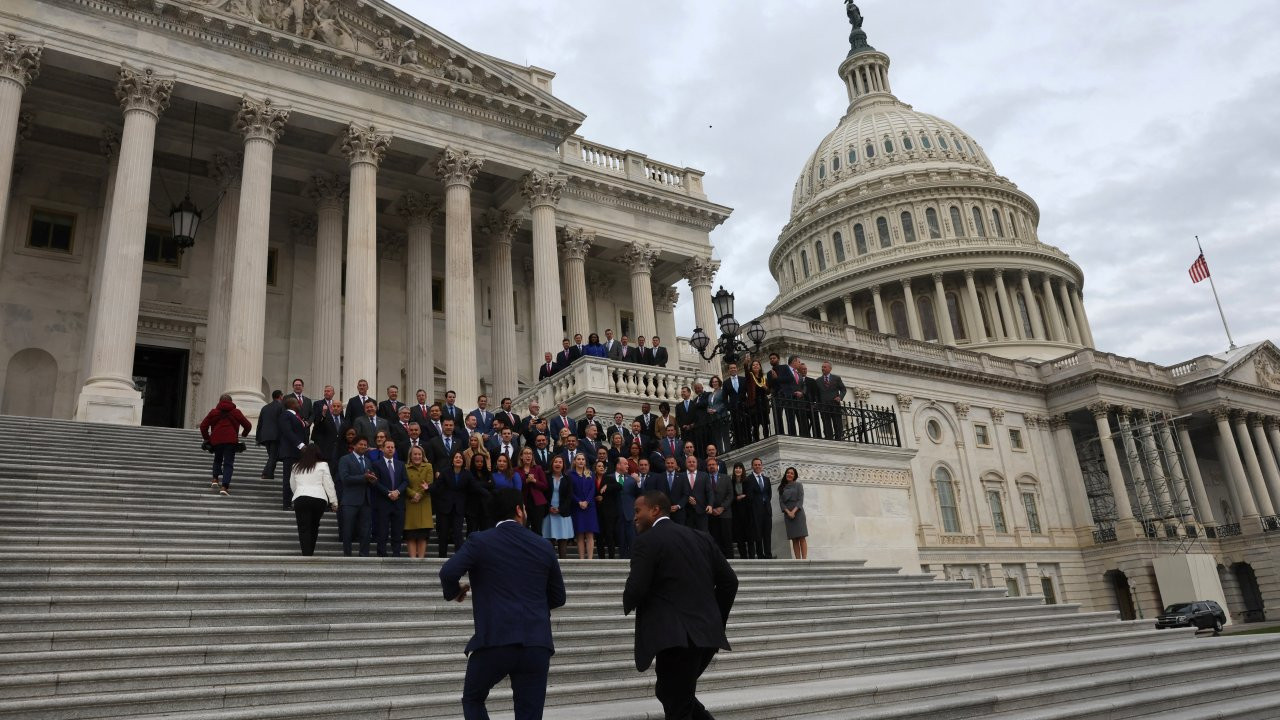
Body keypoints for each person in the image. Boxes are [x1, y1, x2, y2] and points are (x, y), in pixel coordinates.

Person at [440, 488, 566, 720]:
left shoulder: (479, 541)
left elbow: (448, 572)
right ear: (519, 510)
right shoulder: (543, 545)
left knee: (473, 698)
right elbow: (559, 597)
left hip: (495, 640)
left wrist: (455, 592)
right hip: (536, 643)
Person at [623, 491, 738, 720]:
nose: (634, 517)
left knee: (676, 701)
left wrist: (628, 600)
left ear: (655, 510)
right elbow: (730, 582)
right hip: (704, 635)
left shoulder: (647, 541)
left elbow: (636, 588)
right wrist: (715, 619)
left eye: (638, 511)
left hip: (675, 638)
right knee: (673, 694)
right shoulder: (701, 537)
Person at [289, 444, 338, 556]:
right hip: (319, 498)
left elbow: (292, 484)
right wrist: (334, 502)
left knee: (303, 527)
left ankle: (306, 553)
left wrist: (297, 493)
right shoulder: (323, 465)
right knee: (314, 525)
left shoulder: (296, 466)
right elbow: (329, 484)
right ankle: (310, 551)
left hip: (301, 497)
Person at [199, 393, 251, 496]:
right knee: (228, 463)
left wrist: (207, 438)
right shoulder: (236, 412)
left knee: (217, 459)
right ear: (231, 402)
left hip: (216, 440)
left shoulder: (214, 412)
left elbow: (203, 426)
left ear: (219, 401)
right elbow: (248, 425)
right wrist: (244, 434)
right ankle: (224, 487)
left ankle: (215, 479)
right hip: (231, 441)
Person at [337, 437, 375, 557]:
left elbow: (369, 478)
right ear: (354, 446)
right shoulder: (345, 459)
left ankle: (364, 554)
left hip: (366, 500)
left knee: (366, 530)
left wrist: (373, 480)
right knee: (348, 529)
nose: (363, 446)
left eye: (365, 445)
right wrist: (364, 477)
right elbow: (345, 478)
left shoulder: (368, 461)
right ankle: (347, 555)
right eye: (361, 444)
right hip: (350, 500)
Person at [370, 439, 408, 557]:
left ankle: (396, 553)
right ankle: (382, 553)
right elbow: (375, 482)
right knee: (382, 531)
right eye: (388, 447)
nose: (390, 449)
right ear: (382, 449)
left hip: (398, 503)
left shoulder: (401, 464)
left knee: (397, 531)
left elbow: (405, 481)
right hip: (383, 502)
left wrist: (397, 492)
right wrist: (388, 493)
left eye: (392, 447)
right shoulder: (376, 464)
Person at [431, 452, 472, 558]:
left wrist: (487, 492)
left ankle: (459, 559)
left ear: (463, 461)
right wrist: (428, 488)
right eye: (456, 457)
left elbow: (475, 487)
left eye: (460, 458)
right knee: (443, 534)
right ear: (453, 460)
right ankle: (442, 558)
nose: (458, 459)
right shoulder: (445, 472)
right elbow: (437, 486)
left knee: (458, 534)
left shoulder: (467, 474)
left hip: (459, 509)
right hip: (445, 508)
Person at [277, 396, 309, 511]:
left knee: (296, 478)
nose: (299, 405)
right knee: (288, 478)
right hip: (290, 452)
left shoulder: (296, 416)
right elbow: (288, 432)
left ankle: (294, 501)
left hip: (297, 453)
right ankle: (287, 503)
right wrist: (301, 445)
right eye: (297, 403)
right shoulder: (286, 415)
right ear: (291, 405)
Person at [404, 445, 434, 559]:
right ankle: (412, 560)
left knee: (422, 535)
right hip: (410, 503)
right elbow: (403, 484)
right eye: (415, 454)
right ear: (410, 456)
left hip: (423, 503)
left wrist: (419, 495)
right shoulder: (405, 468)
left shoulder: (428, 466)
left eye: (419, 454)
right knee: (411, 534)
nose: (417, 456)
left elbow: (429, 483)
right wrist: (413, 494)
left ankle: (421, 560)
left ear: (423, 456)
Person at [542, 456, 575, 559]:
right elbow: (542, 493)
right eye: (556, 462)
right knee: (549, 539)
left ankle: (563, 564)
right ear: (552, 464)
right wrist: (549, 507)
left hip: (562, 513)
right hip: (548, 512)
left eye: (560, 462)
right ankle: (551, 564)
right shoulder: (546, 476)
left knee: (563, 539)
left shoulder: (567, 478)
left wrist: (560, 509)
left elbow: (569, 496)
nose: (558, 464)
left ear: (563, 465)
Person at [569, 453, 598, 559]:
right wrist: (579, 502)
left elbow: (592, 489)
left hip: (589, 507)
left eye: (583, 459)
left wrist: (587, 501)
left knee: (590, 534)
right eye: (579, 459)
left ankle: (590, 559)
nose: (581, 461)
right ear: (575, 461)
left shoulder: (590, 473)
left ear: (585, 462)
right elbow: (570, 491)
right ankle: (582, 559)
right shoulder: (570, 474)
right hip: (577, 507)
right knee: (580, 534)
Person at [704, 458, 734, 558]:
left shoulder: (726, 478)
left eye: (713, 464)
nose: (711, 466)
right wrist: (711, 508)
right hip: (710, 514)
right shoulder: (704, 478)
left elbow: (730, 495)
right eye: (709, 465)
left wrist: (721, 508)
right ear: (707, 467)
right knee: (715, 540)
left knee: (727, 539)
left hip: (725, 514)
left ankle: (730, 561)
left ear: (717, 466)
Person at [745, 457, 773, 560]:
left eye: (759, 464)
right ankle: (760, 555)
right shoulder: (749, 479)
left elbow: (769, 494)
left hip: (767, 510)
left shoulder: (766, 479)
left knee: (767, 534)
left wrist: (764, 503)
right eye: (755, 465)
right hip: (755, 511)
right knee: (758, 535)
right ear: (752, 466)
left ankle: (768, 555)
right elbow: (749, 496)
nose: (757, 466)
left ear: (762, 466)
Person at [517, 447, 549, 534]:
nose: (528, 456)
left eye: (530, 454)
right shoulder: (516, 470)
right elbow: (516, 487)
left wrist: (534, 481)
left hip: (537, 503)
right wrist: (526, 481)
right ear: (521, 456)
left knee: (537, 529)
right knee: (523, 529)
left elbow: (545, 486)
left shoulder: (537, 468)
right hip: (523, 503)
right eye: (525, 454)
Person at [779, 466, 808, 559]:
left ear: (794, 475)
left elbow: (800, 500)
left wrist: (794, 511)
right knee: (794, 539)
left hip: (798, 513)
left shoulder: (798, 485)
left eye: (791, 473)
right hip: (788, 515)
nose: (789, 474)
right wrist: (788, 512)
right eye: (788, 473)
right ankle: (798, 560)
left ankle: (804, 560)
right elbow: (781, 502)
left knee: (802, 537)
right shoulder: (782, 487)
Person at [594, 459, 620, 559]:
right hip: (597, 511)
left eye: (602, 466)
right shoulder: (592, 479)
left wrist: (607, 486)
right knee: (599, 536)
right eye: (599, 466)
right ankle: (601, 558)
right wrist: (596, 498)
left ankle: (612, 557)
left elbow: (619, 486)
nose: (601, 467)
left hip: (609, 512)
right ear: (595, 468)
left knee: (609, 534)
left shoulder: (609, 478)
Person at [729, 462, 755, 559]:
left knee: (750, 537)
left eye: (740, 468)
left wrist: (741, 497)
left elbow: (750, 496)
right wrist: (738, 497)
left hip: (747, 513)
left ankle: (752, 557)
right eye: (736, 468)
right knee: (739, 537)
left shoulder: (747, 481)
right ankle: (743, 557)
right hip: (736, 514)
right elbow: (731, 497)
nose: (738, 469)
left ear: (743, 470)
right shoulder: (731, 482)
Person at [256, 389, 284, 480]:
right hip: (276, 436)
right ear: (280, 396)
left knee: (272, 455)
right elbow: (283, 422)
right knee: (273, 456)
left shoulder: (265, 407)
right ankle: (267, 474)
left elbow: (260, 423)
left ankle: (267, 473)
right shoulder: (281, 407)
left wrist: (258, 437)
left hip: (265, 436)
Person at [816, 360, 847, 440]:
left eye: (824, 367)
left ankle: (838, 438)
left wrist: (840, 397)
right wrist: (818, 405)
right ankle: (828, 438)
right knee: (826, 424)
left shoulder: (836, 378)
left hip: (835, 405)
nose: (823, 368)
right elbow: (816, 394)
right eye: (822, 367)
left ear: (830, 368)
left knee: (837, 423)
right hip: (824, 406)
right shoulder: (818, 381)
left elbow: (843, 389)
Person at [467, 452, 495, 534]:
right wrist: (485, 485)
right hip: (472, 509)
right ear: (473, 462)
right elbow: (471, 487)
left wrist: (476, 485)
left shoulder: (488, 473)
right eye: (477, 461)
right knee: (472, 533)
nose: (479, 463)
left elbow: (492, 485)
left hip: (486, 509)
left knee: (486, 534)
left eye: (481, 461)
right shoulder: (469, 474)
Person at [746, 359, 770, 442]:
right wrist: (746, 363)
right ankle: (757, 440)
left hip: (763, 403)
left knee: (765, 423)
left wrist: (766, 388)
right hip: (754, 403)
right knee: (755, 424)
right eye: (753, 365)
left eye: (757, 365)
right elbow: (746, 370)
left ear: (760, 367)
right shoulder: (750, 377)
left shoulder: (764, 378)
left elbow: (768, 392)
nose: (755, 366)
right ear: (751, 368)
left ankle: (766, 438)